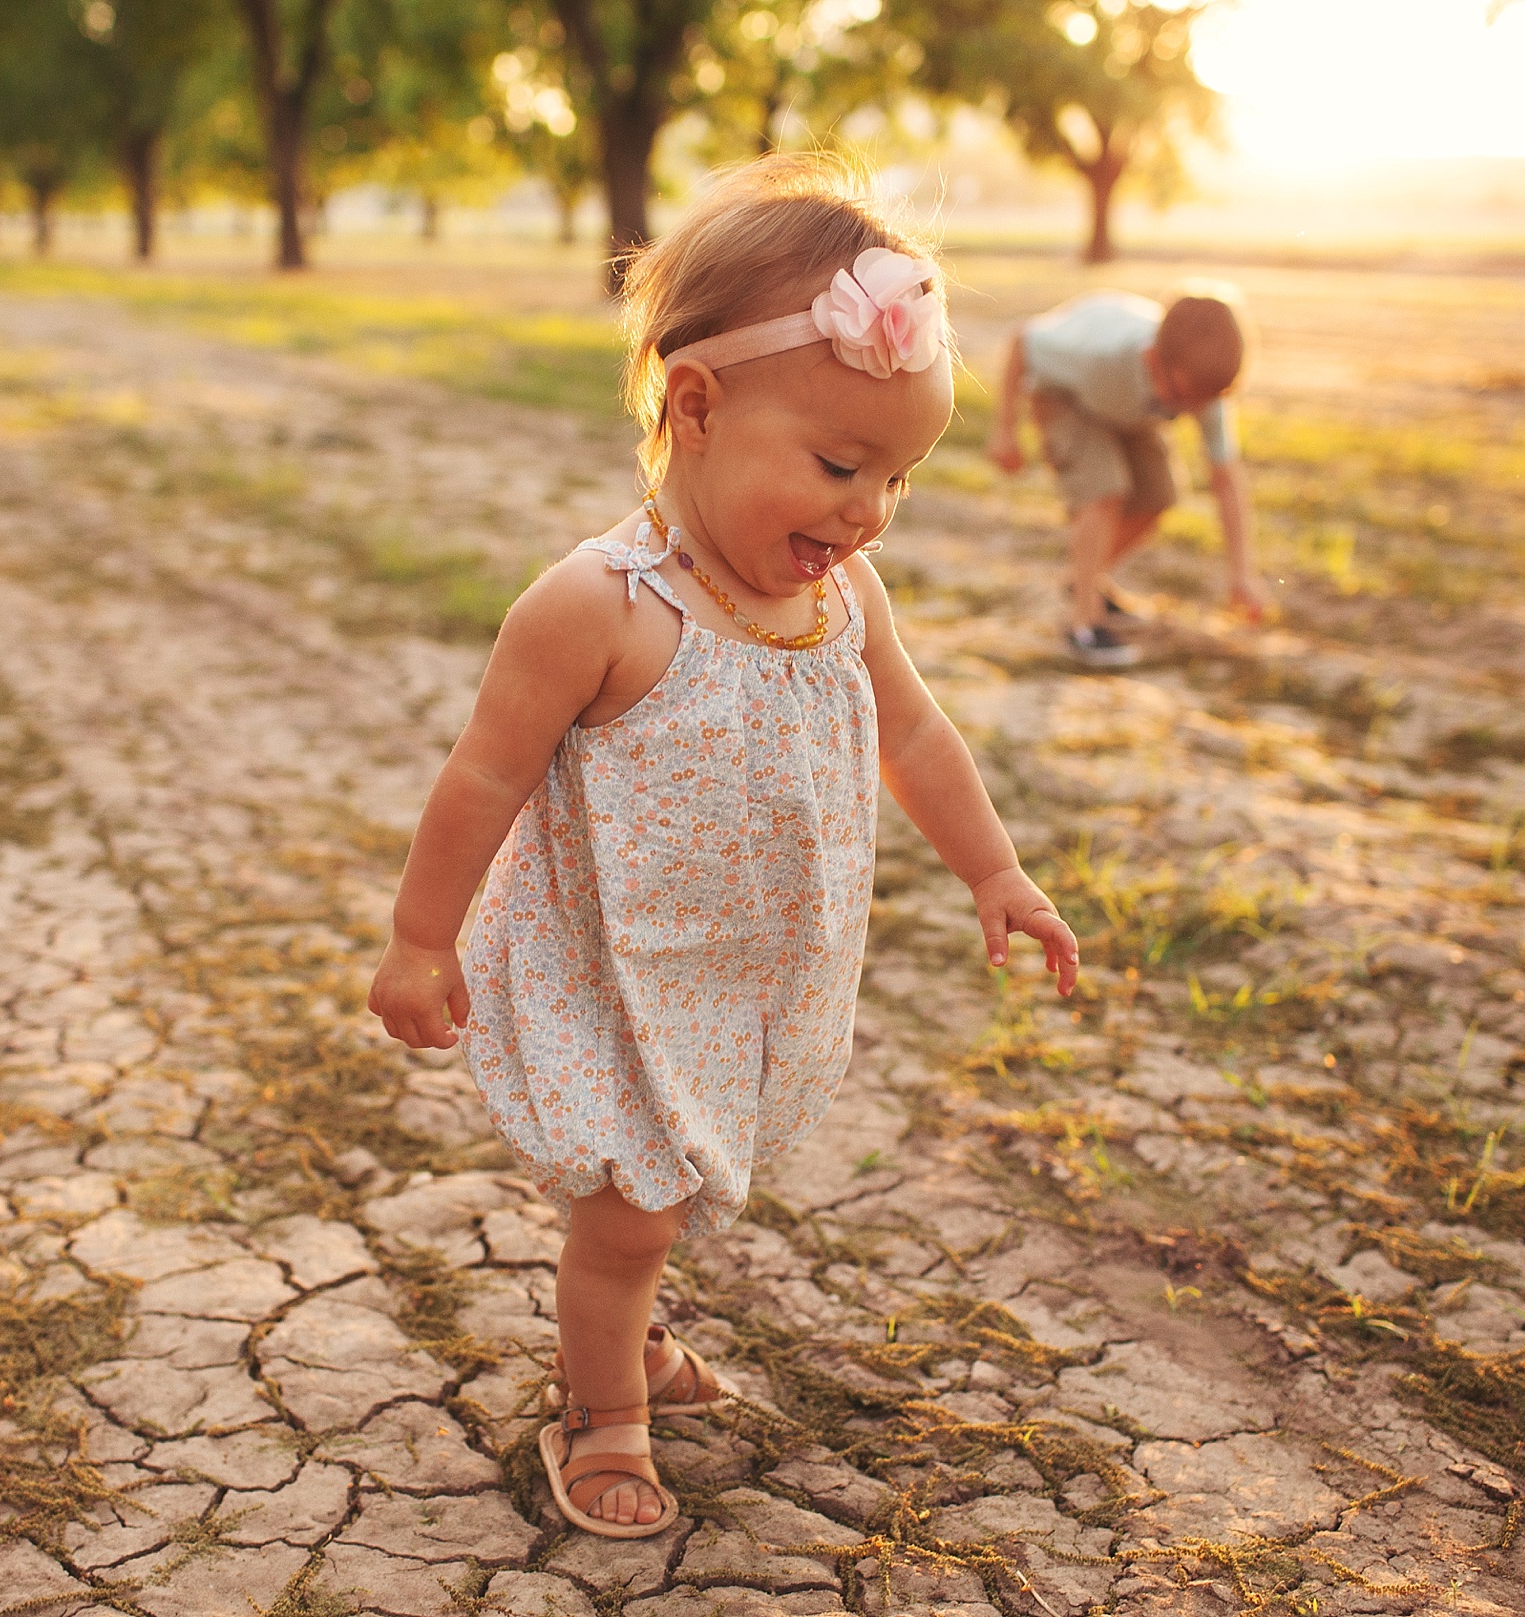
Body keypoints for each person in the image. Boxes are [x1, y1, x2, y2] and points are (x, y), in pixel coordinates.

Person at [366, 155, 1080, 1540]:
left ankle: (621, 1342)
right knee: (630, 1218)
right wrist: (417, 935)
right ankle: (603, 1408)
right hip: (615, 976)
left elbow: (916, 737)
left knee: (671, 1199)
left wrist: (995, 868)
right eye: (836, 464)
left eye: (896, 477)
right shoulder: (599, 607)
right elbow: (482, 778)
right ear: (693, 408)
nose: (867, 510)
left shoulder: (840, 594)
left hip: (747, 978)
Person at [986, 285, 1267, 669]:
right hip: (1065, 396)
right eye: (1185, 396)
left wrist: (1242, 574)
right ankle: (1083, 622)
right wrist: (1005, 429)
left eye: (1205, 402)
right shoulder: (1101, 355)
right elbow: (1023, 340)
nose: (1194, 411)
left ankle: (1082, 582)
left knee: (1159, 495)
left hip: (1129, 409)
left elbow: (1226, 479)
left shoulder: (1199, 387)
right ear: (1152, 360)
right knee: (1104, 493)